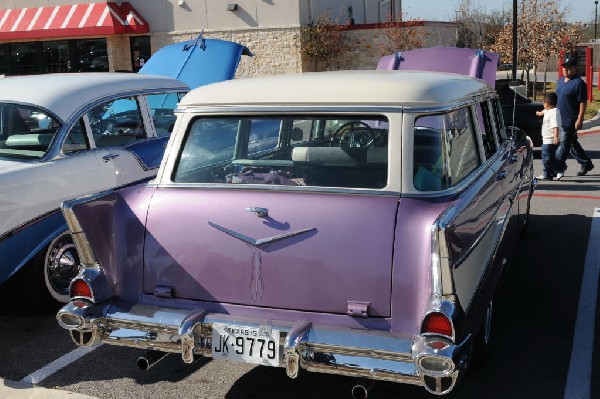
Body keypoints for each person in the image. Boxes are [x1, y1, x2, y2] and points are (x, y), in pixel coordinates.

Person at [555, 55, 594, 177]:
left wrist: (580, 119)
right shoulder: (560, 81)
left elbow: (583, 102)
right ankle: (586, 163)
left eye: (568, 67)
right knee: (572, 143)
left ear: (574, 68)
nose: (565, 69)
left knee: (564, 144)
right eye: (564, 67)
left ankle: (555, 167)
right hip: (559, 118)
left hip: (570, 119)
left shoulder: (579, 83)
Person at [535, 92, 562, 180]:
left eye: (543, 102)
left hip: (550, 140)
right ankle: (547, 174)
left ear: (547, 103)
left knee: (546, 158)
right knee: (547, 157)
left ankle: (560, 168)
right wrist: (539, 113)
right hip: (546, 139)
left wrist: (556, 136)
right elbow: (544, 111)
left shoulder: (554, 113)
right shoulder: (548, 110)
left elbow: (556, 126)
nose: (543, 105)